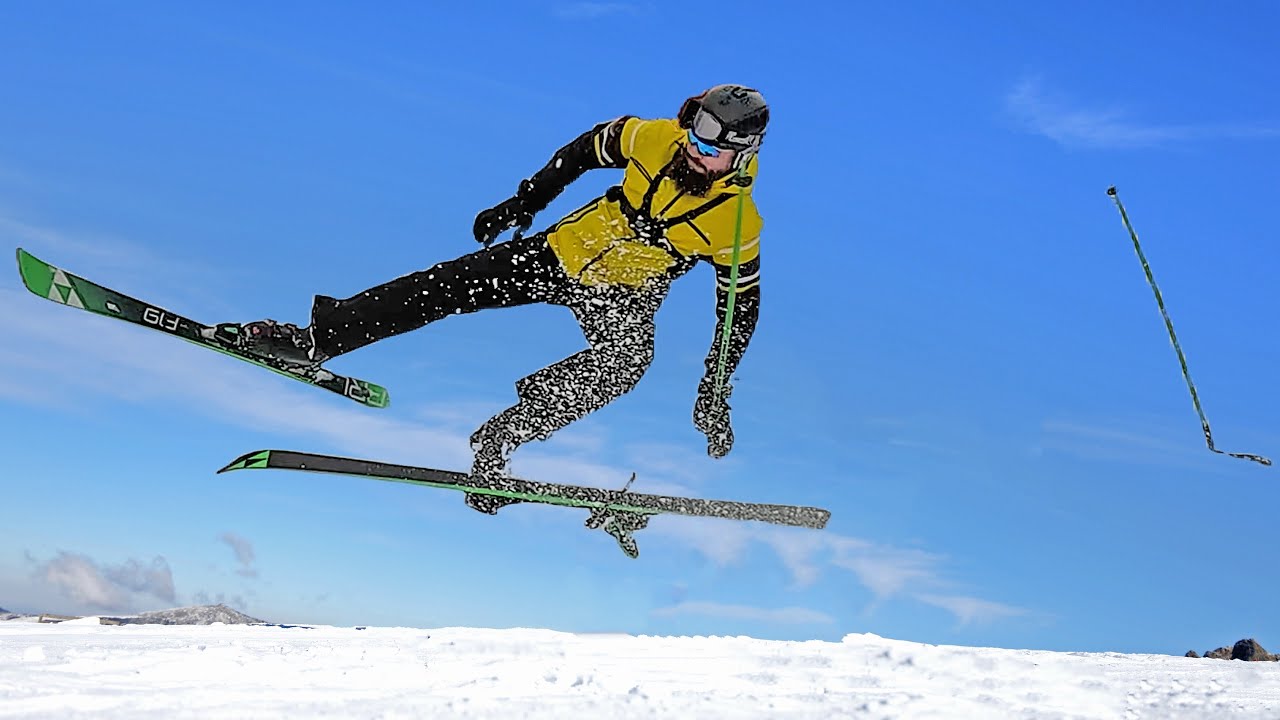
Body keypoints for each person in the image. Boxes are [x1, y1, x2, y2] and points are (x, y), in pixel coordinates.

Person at [217, 84, 769, 514]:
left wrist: (715, 390)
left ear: (742, 156)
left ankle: (501, 439)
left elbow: (737, 313)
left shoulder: (738, 225)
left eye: (710, 148)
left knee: (626, 363)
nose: (694, 150)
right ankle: (317, 340)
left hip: (625, 294)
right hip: (560, 253)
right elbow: (582, 151)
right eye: (694, 133)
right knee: (443, 285)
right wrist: (523, 201)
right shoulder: (650, 137)